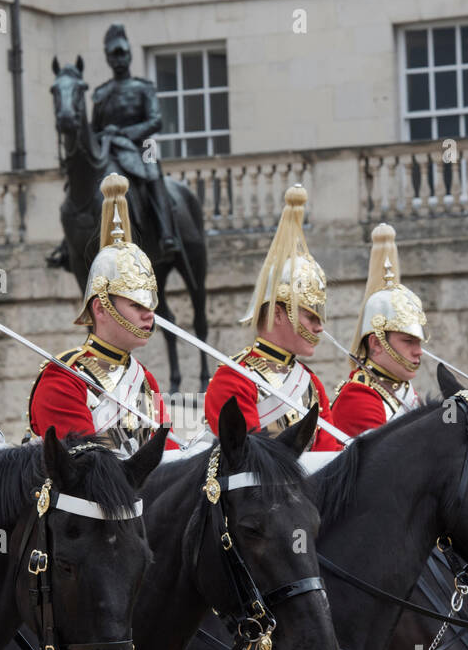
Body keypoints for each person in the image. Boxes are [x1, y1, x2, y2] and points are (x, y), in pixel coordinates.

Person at [28, 173, 177, 456]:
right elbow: (85, 472)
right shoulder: (65, 378)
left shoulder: (143, 379)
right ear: (101, 307)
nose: (149, 316)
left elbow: (166, 455)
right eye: (137, 306)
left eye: (150, 306)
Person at [203, 185, 340, 452]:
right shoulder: (235, 379)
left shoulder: (311, 383)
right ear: (278, 313)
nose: (319, 326)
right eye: (310, 315)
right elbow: (251, 464)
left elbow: (329, 456)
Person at [330, 223, 427, 435]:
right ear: (376, 343)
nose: (418, 350)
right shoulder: (358, 397)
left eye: (418, 342)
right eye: (408, 341)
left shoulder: (401, 390)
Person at [92, 24, 179, 254]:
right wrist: (106, 135)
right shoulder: (102, 93)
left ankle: (166, 233)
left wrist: (124, 133)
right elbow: (94, 130)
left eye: (122, 53)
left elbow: (155, 121)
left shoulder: (143, 88)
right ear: (107, 58)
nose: (119, 60)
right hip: (111, 149)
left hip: (142, 146)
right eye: (114, 55)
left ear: (129, 54)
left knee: (152, 173)